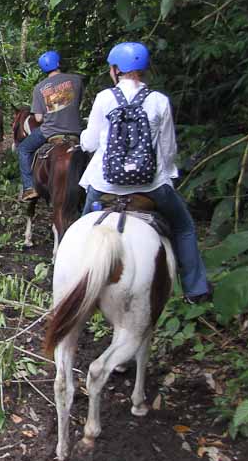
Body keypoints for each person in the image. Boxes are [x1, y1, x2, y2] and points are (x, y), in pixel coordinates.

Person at [78, 41, 212, 303]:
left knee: (81, 228)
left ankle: (76, 281)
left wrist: (83, 139)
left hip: (105, 186)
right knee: (184, 227)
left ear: (116, 69)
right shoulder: (159, 101)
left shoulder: (104, 98)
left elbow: (91, 143)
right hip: (151, 186)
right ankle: (196, 290)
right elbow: (168, 149)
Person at [17, 50, 84, 201]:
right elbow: (77, 104)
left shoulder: (39, 88)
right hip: (75, 131)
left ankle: (29, 188)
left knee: (23, 149)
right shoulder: (76, 80)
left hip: (50, 132)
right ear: (58, 63)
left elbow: (39, 118)